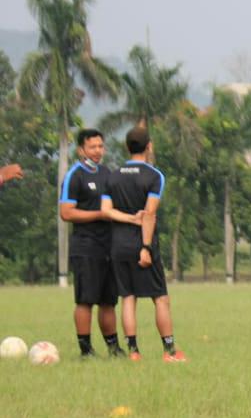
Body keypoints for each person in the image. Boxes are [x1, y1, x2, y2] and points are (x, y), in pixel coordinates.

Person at [101, 126, 186, 363]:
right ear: (149, 146)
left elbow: (106, 211)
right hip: (142, 244)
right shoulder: (154, 176)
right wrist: (146, 247)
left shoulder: (113, 176)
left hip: (119, 245)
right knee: (160, 298)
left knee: (128, 298)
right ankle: (170, 351)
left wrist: (128, 218)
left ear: (127, 147)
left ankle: (133, 352)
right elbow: (149, 214)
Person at [59, 129, 129, 358]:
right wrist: (99, 214)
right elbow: (66, 213)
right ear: (81, 150)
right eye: (92, 147)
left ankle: (114, 348)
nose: (98, 151)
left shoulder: (108, 173)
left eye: (100, 146)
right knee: (86, 300)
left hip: (109, 246)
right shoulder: (74, 175)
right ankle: (86, 349)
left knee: (108, 301)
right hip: (86, 246)